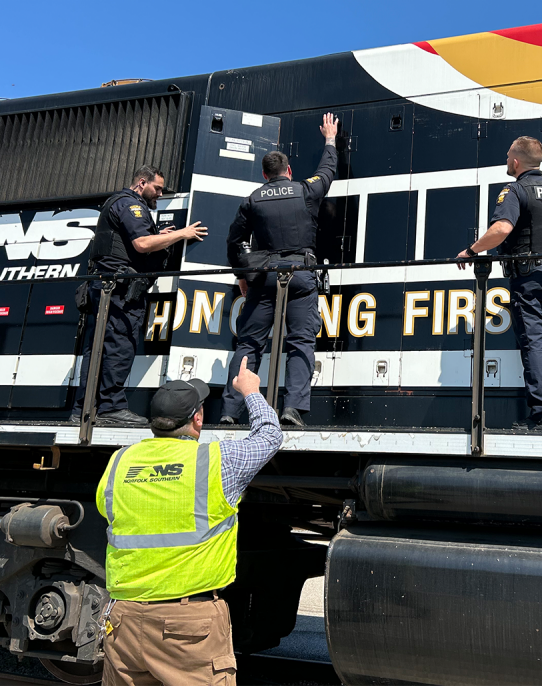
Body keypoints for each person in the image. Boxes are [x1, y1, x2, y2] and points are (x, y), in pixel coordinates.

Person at [96, 355, 282, 685]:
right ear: (198, 420)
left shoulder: (119, 462)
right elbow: (269, 435)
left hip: (124, 621)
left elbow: (108, 511)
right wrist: (250, 390)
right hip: (188, 628)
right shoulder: (218, 461)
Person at [456, 136, 542, 432]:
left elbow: (502, 228)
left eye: (507, 157)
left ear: (516, 162)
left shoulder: (515, 189)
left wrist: (472, 251)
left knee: (534, 346)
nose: (506, 161)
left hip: (532, 279)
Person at [219, 113, 339, 427]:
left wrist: (243, 277)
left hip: (264, 276)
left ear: (264, 174)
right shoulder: (306, 190)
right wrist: (330, 138)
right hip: (300, 274)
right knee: (300, 341)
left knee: (249, 343)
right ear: (288, 171)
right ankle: (292, 409)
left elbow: (234, 242)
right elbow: (327, 171)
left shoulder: (252, 200)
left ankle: (231, 412)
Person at [72, 165, 206, 426]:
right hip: (120, 292)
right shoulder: (131, 205)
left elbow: (136, 240)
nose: (159, 193)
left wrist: (161, 237)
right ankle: (111, 408)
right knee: (119, 346)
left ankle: (84, 408)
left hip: (108, 287)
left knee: (98, 348)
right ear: (141, 183)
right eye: (157, 188)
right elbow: (141, 244)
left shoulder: (119, 203)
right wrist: (183, 233)